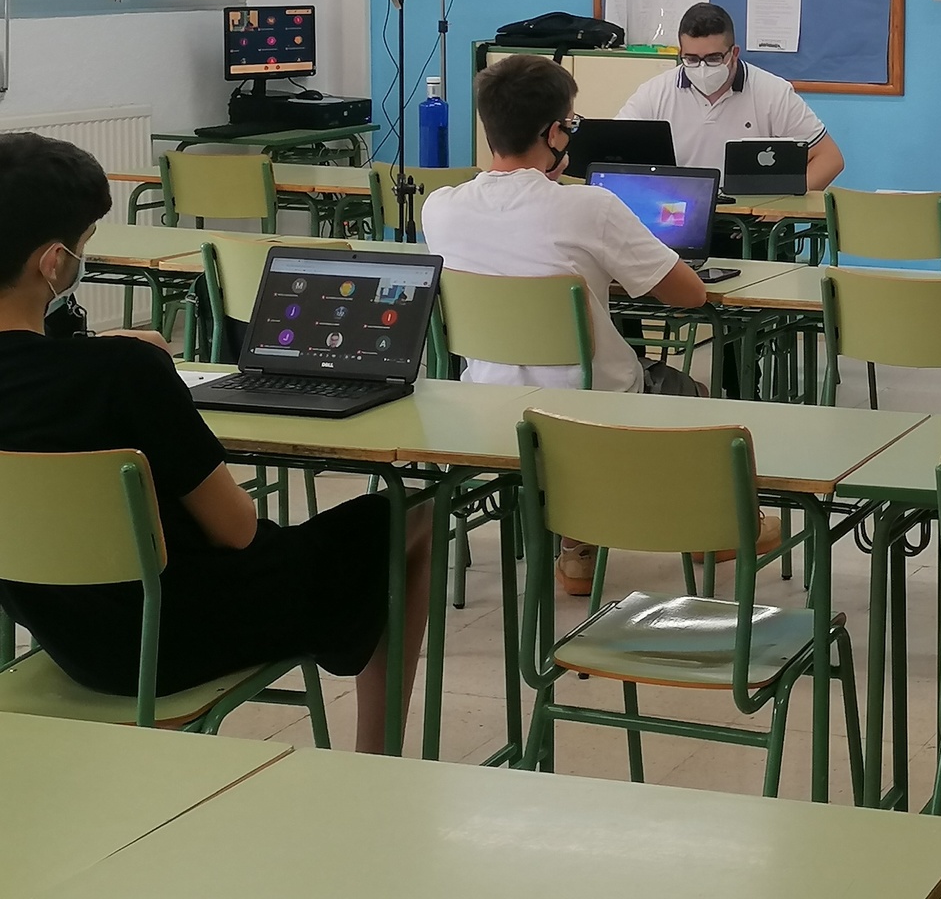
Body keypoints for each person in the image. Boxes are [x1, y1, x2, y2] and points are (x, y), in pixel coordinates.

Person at [0, 133, 429, 753]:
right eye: (87, 242)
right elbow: (237, 532)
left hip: (66, 638)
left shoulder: (105, 368)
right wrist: (131, 368)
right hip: (173, 639)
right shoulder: (124, 376)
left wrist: (101, 353)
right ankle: (379, 754)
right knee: (411, 513)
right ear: (54, 264)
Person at [421, 54, 712, 595]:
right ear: (555, 132)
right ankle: (699, 528)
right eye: (571, 124)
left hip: (484, 403)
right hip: (590, 408)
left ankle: (578, 543)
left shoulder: (439, 210)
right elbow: (689, 295)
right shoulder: (590, 206)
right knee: (694, 392)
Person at [618, 2, 845, 191]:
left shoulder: (773, 93)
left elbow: (829, 159)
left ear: (734, 53)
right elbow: (614, 151)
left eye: (714, 58)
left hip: (748, 221)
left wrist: (783, 202)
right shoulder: (655, 93)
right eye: (692, 59)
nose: (703, 67)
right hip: (677, 212)